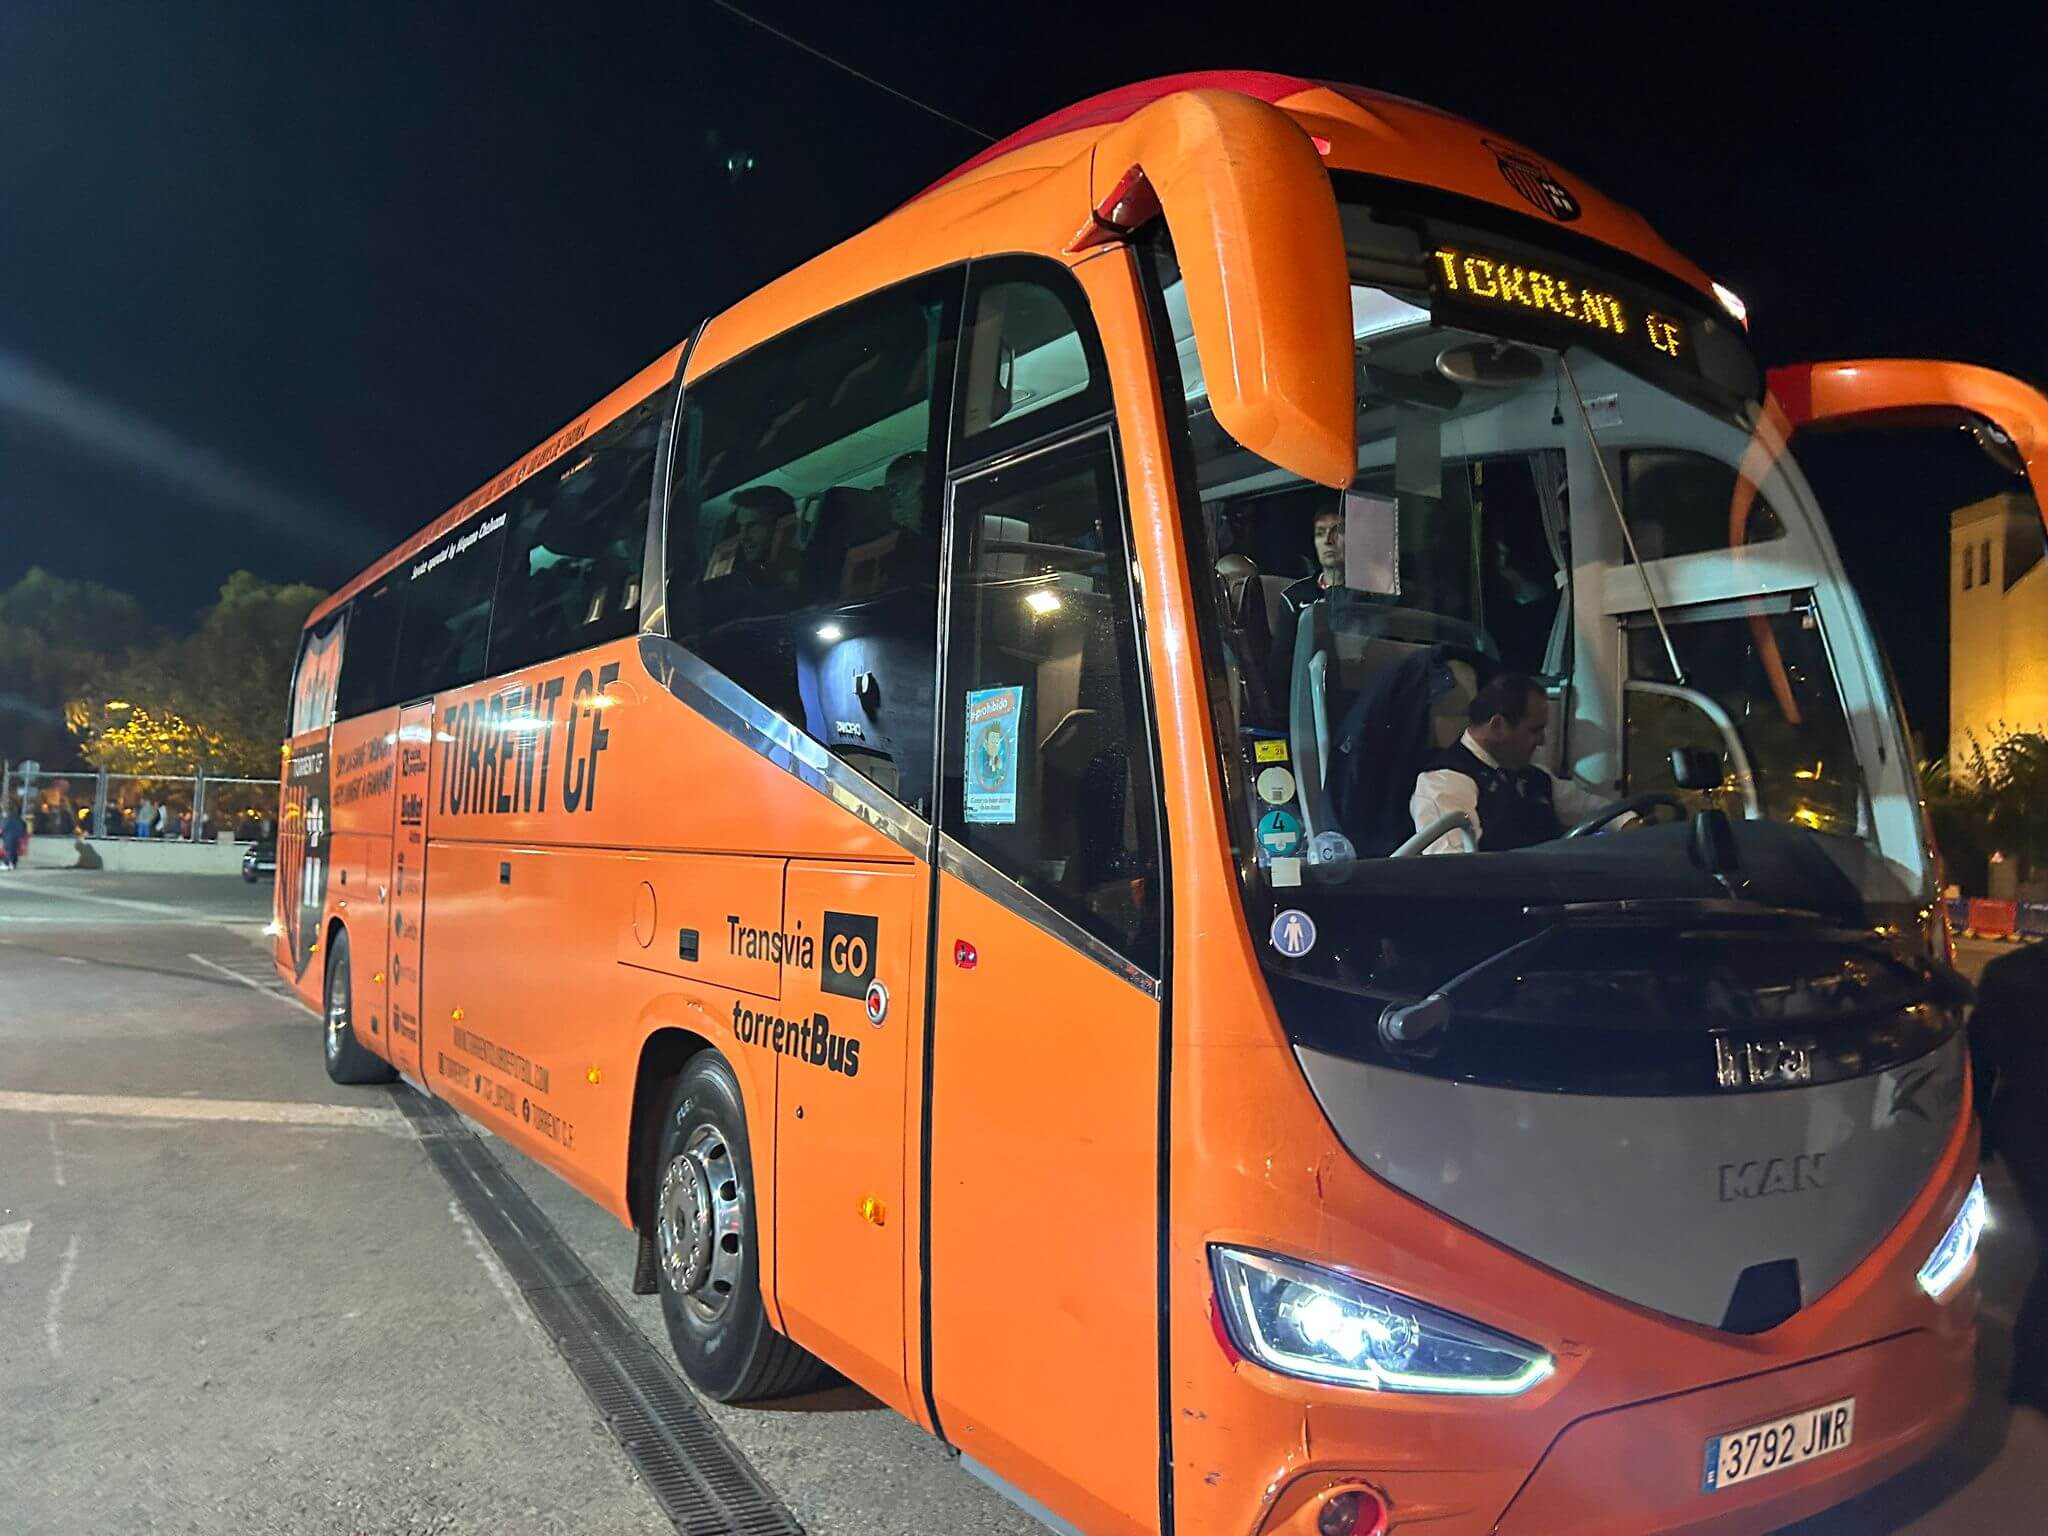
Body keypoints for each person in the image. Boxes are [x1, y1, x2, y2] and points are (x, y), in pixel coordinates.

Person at [1409, 671, 1629, 853]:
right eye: (1534, 730)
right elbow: (1454, 869)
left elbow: (1590, 808)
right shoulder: (1445, 782)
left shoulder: (1535, 777)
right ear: (1497, 726)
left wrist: (1628, 821)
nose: (1542, 740)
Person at [1970, 941, 2048, 1411]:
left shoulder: (2008, 973)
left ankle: (2031, 1372)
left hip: (2024, 1130)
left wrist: (1977, 1138)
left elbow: (1977, 1059)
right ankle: (2032, 1373)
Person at [1281, 502, 1346, 618]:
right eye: (1320, 533)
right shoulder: (1293, 598)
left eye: (1337, 531)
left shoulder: (1370, 594)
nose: (1328, 540)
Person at [1, 803, 26, 870]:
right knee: (13, 850)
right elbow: (23, 829)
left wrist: (2, 833)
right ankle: (12, 864)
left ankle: (7, 864)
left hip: (8, 836)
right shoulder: (20, 820)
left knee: (8, 850)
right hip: (16, 837)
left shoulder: (8, 819)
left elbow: (3, 828)